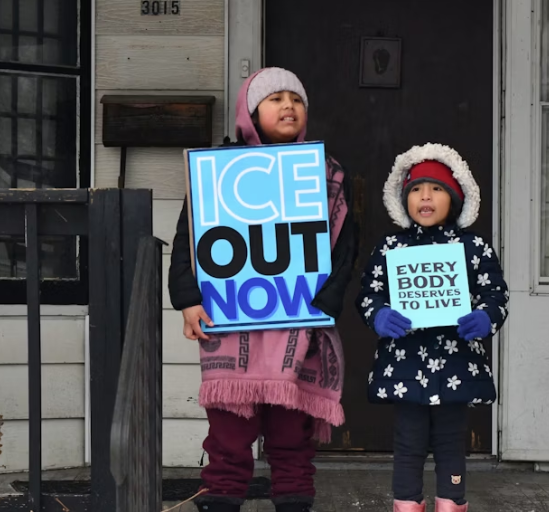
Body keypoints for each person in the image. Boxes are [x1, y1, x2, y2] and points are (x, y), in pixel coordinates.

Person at [169, 67, 359, 512]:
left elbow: (344, 244)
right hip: (230, 327)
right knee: (228, 438)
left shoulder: (327, 173)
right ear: (251, 112)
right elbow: (189, 238)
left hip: (300, 328)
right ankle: (220, 503)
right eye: (276, 99)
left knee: (292, 437)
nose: (289, 105)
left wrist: (324, 304)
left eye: (297, 98)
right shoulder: (219, 172)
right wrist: (187, 299)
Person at [357, 143, 509, 512]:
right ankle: (407, 504)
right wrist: (378, 314)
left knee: (451, 443)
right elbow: (369, 292)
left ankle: (451, 503)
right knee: (408, 443)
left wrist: (486, 316)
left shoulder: (474, 247)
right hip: (406, 364)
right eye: (416, 190)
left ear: (456, 198)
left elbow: (496, 293)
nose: (425, 197)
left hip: (456, 363)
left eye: (437, 189)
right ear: (403, 199)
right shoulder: (391, 246)